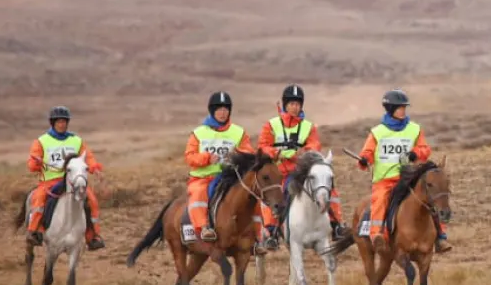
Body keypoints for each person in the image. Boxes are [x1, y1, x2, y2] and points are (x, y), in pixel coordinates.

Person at [354, 88, 451, 254]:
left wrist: (415, 153)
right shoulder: (377, 132)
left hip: (409, 177)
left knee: (429, 197)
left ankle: (440, 236)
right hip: (384, 180)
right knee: (380, 200)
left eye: (404, 108)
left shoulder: (414, 129)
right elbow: (368, 153)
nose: (403, 111)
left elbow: (425, 149)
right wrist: (364, 160)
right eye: (400, 108)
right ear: (391, 109)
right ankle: (377, 235)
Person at [256, 84, 348, 249]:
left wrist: (304, 150)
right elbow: (262, 146)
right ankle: (271, 232)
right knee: (273, 194)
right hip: (277, 172)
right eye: (291, 104)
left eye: (298, 104)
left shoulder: (308, 126)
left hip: (299, 171)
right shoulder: (271, 125)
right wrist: (278, 153)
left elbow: (315, 144)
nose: (295, 107)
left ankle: (337, 225)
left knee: (328, 188)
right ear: (285, 105)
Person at [26, 106, 106, 250]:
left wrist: (95, 168)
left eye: (64, 121)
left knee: (92, 201)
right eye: (59, 122)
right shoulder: (41, 141)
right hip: (50, 182)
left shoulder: (76, 141)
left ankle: (93, 237)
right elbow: (32, 164)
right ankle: (35, 232)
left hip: (73, 181)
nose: (62, 124)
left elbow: (88, 157)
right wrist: (36, 163)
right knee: (38, 200)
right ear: (53, 123)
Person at [184, 91, 254, 243]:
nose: (223, 113)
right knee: (198, 194)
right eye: (219, 109)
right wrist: (207, 158)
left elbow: (249, 152)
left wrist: (237, 155)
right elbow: (190, 157)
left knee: (251, 194)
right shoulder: (198, 133)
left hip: (230, 177)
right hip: (203, 177)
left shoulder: (239, 132)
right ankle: (203, 228)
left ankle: (259, 235)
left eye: (226, 109)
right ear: (212, 111)